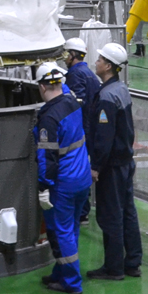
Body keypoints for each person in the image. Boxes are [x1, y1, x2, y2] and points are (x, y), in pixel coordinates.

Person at [87, 42, 141, 280]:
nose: (96, 62)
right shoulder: (121, 88)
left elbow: (104, 137)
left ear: (108, 66)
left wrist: (96, 166)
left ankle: (113, 268)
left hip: (112, 166)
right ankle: (132, 263)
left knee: (110, 216)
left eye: (100, 60)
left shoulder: (107, 96)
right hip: (125, 162)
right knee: (128, 213)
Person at [35, 63, 88, 294]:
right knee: (71, 228)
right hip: (82, 177)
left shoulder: (49, 118)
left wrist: (43, 186)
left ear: (42, 87)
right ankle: (60, 272)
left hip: (64, 182)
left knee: (61, 231)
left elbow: (47, 158)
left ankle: (72, 282)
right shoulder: (72, 102)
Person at [61, 38, 99, 224]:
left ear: (73, 55)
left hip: (83, 130)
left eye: (66, 54)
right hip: (90, 129)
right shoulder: (87, 73)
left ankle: (81, 212)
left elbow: (76, 104)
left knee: (79, 168)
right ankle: (83, 211)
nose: (64, 58)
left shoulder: (75, 75)